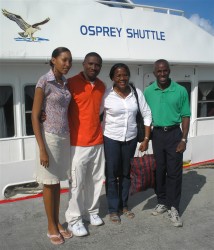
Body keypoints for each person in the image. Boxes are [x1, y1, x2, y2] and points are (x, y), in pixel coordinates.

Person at [32, 47, 73, 245]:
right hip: (48, 138)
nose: (67, 64)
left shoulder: (65, 83)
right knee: (48, 184)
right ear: (53, 60)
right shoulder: (44, 81)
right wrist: (41, 148)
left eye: (69, 61)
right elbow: (34, 115)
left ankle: (57, 222)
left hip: (63, 137)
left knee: (57, 183)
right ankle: (50, 227)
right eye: (64, 60)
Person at [101, 63, 152, 224]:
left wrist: (145, 139)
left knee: (126, 174)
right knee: (111, 175)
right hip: (111, 139)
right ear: (112, 78)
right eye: (118, 75)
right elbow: (95, 114)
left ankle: (124, 205)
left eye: (125, 75)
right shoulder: (106, 94)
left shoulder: (136, 93)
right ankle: (113, 209)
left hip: (130, 139)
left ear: (128, 76)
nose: (122, 78)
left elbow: (147, 114)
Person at [144, 59, 191, 227]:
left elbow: (186, 115)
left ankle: (174, 207)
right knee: (159, 171)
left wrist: (184, 139)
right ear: (154, 72)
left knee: (174, 173)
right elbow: (145, 116)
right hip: (157, 135)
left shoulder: (180, 91)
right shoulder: (148, 91)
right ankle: (162, 201)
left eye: (165, 71)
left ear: (169, 71)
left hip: (174, 135)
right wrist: (145, 138)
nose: (162, 74)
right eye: (159, 71)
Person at [65, 52, 106, 236]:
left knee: (96, 181)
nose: (93, 67)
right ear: (83, 64)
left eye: (97, 65)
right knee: (77, 184)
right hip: (78, 144)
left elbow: (100, 113)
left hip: (97, 141)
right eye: (90, 64)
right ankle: (74, 220)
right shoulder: (70, 83)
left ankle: (92, 212)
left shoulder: (101, 86)